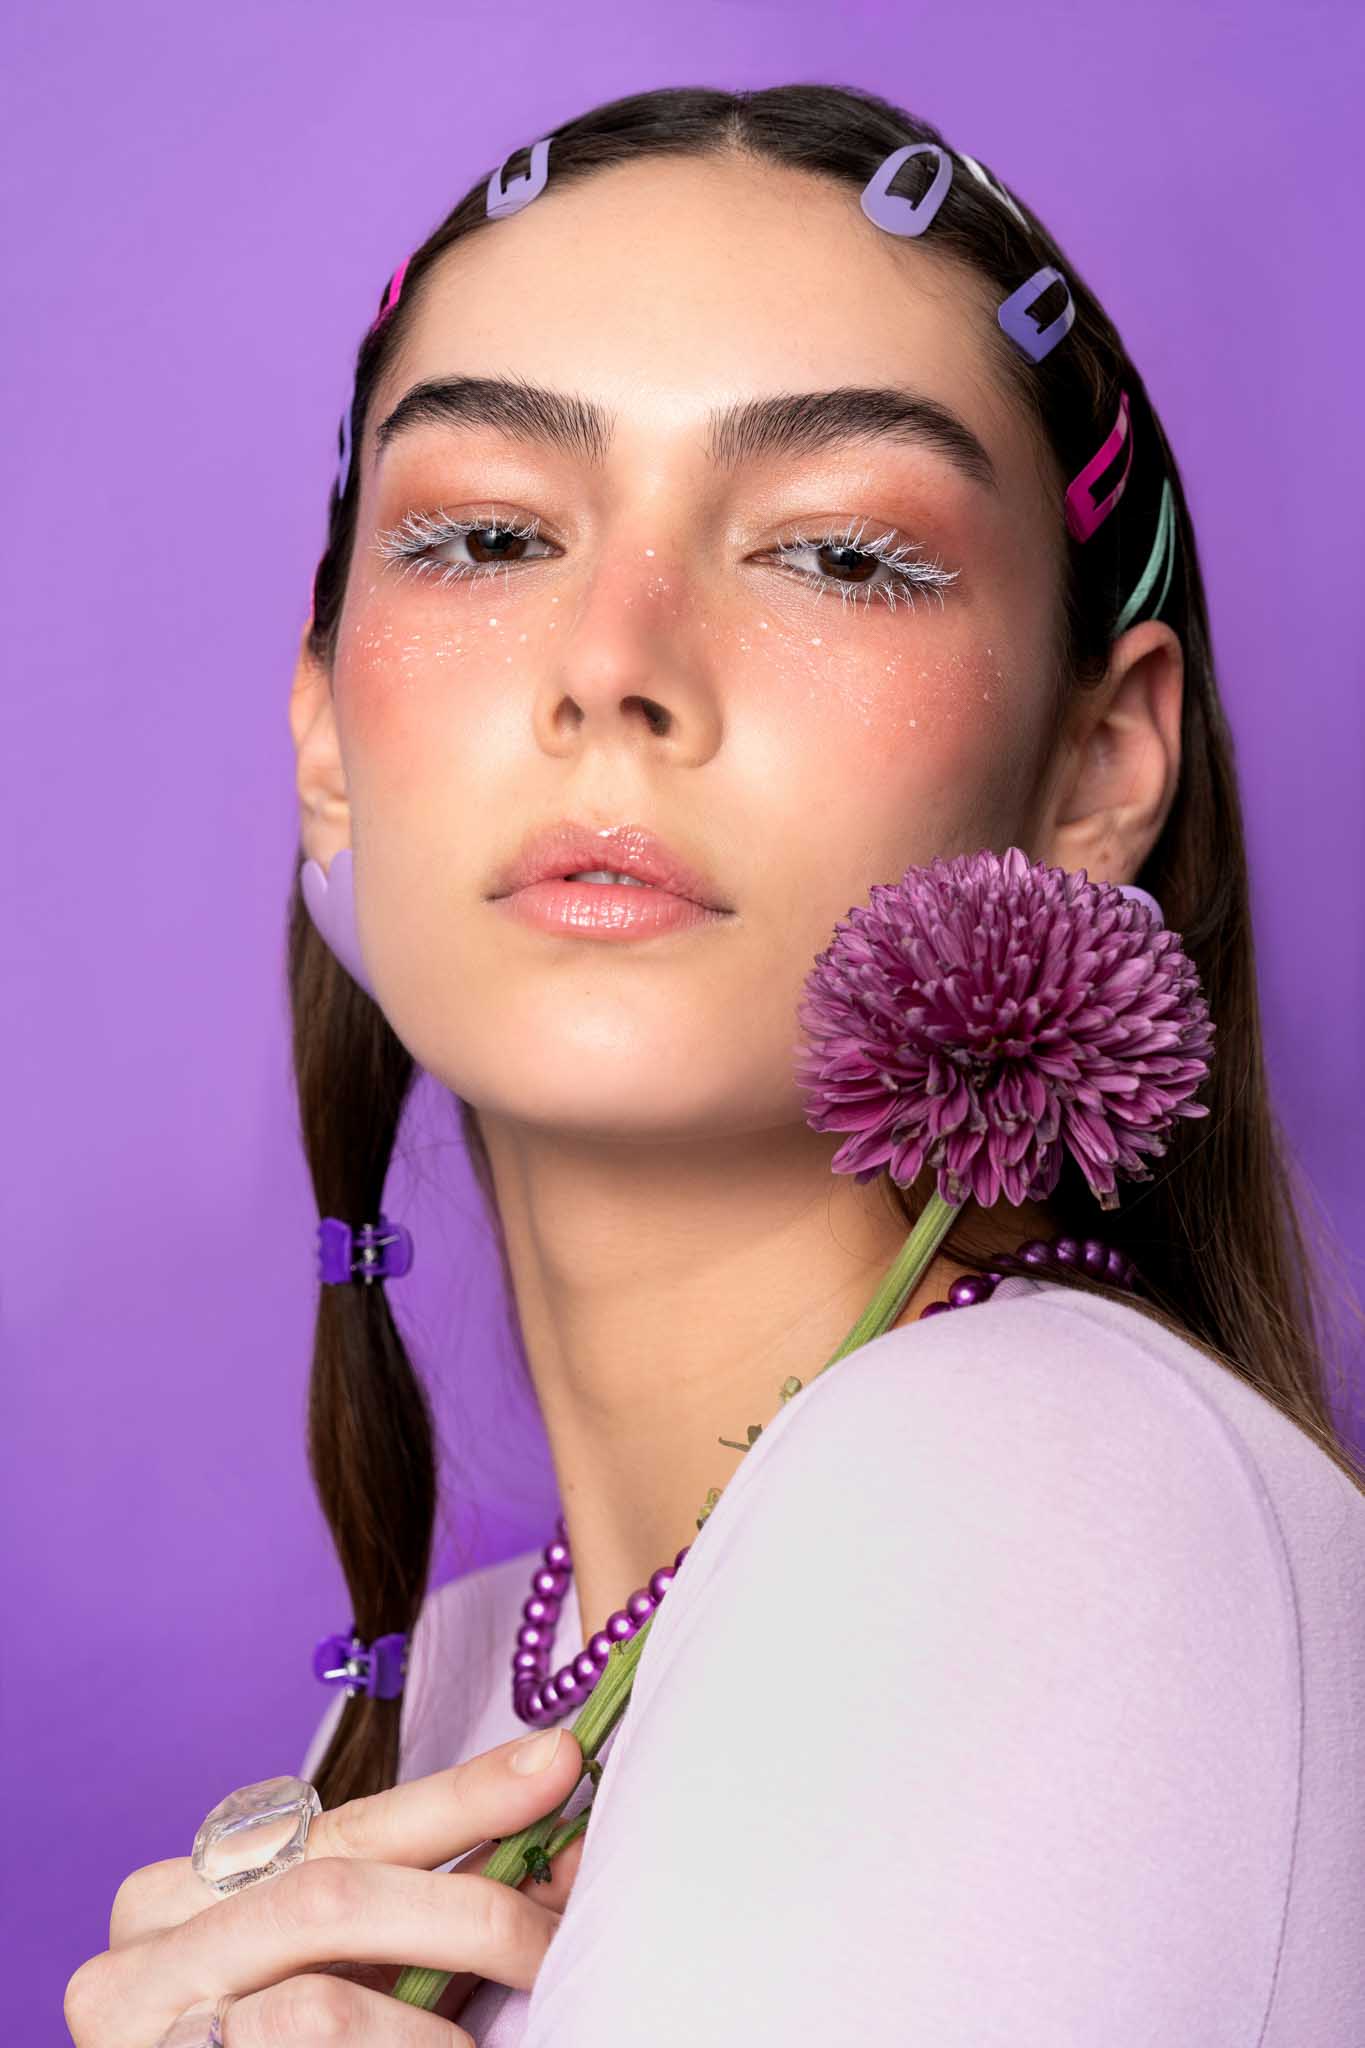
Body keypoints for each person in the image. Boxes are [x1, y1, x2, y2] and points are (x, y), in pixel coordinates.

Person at [66, 82, 1365, 2048]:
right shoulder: (450, 1695)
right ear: (326, 735)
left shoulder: (1031, 1481)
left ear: (1097, 763)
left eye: (837, 553)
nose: (616, 659)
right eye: (488, 533)